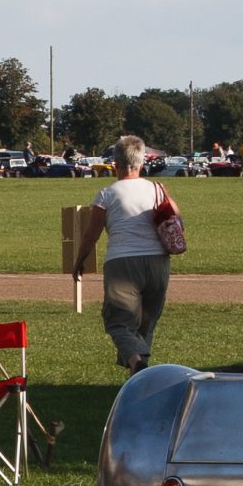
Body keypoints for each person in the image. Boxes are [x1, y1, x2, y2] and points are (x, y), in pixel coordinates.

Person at [72, 134, 170, 372]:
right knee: (146, 322)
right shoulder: (158, 189)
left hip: (122, 262)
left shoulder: (107, 194)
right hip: (158, 261)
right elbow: (176, 220)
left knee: (118, 322)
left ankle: (136, 362)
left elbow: (91, 235)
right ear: (142, 163)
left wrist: (79, 261)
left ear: (115, 163)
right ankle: (140, 373)